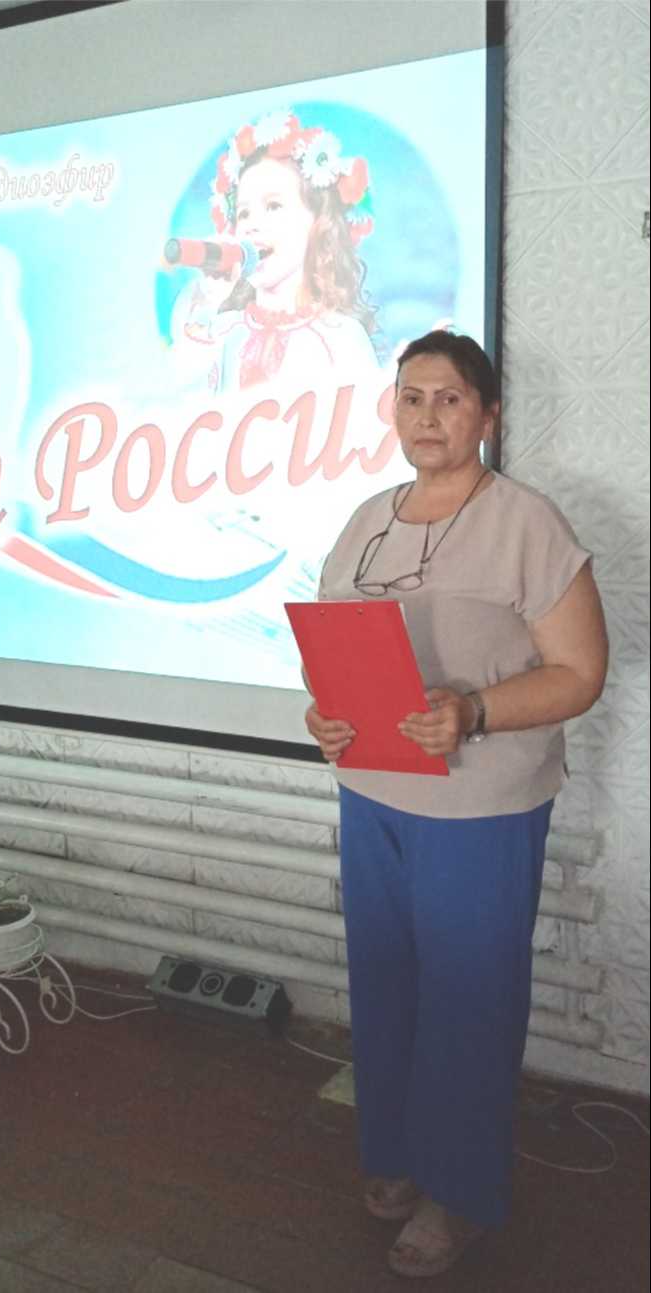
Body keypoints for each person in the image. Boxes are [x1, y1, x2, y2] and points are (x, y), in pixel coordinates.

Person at [305, 330, 608, 1278]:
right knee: (385, 984)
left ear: (487, 415)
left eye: (447, 398)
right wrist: (325, 713)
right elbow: (334, 651)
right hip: (373, 796)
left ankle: (462, 1194)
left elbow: (580, 673)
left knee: (468, 1002)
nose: (426, 415)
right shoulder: (365, 520)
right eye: (410, 397)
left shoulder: (527, 523)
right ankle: (397, 1155)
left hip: (481, 810)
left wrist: (471, 711)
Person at [172, 109, 380, 395]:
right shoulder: (222, 330)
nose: (252, 225)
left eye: (273, 206)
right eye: (243, 213)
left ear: (318, 223)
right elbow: (180, 396)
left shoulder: (341, 335)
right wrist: (210, 302)